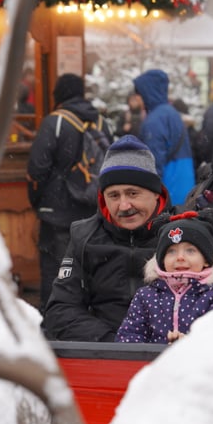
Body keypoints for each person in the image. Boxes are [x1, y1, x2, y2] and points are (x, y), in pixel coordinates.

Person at [43, 135, 170, 342]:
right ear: (103, 198)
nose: (124, 205)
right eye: (114, 195)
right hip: (104, 352)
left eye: (132, 193)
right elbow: (60, 310)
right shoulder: (84, 237)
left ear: (156, 193)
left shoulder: (181, 235)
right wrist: (114, 343)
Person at [26, 73, 114, 313]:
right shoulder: (101, 122)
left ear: (59, 95)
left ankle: (54, 323)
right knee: (89, 269)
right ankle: (87, 320)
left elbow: (37, 168)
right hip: (92, 211)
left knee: (56, 271)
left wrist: (38, 202)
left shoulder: (54, 122)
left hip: (58, 213)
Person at [115, 211, 213, 344]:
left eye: (190, 251)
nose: (180, 257)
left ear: (206, 259)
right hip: (154, 363)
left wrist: (188, 345)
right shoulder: (146, 296)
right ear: (162, 260)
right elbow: (129, 336)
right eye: (171, 251)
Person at [133, 69, 195, 206]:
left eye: (138, 93)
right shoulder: (170, 113)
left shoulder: (155, 120)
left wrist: (149, 191)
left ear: (146, 92)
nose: (136, 97)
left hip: (168, 188)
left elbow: (153, 162)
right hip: (182, 184)